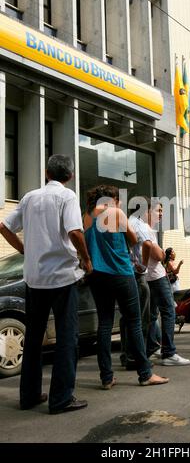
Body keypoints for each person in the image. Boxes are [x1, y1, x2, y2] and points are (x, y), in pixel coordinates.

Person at [0, 155, 92, 414]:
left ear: (46, 173)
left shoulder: (30, 197)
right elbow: (75, 232)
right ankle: (61, 398)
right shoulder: (67, 197)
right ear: (70, 176)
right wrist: (86, 260)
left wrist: (24, 250)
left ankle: (28, 396)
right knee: (66, 337)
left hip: (34, 278)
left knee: (33, 338)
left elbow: (4, 226)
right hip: (62, 277)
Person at [83, 185, 169, 387]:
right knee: (134, 322)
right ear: (111, 198)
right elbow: (133, 239)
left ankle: (106, 377)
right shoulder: (115, 212)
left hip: (97, 275)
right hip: (120, 272)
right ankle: (145, 373)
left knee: (104, 324)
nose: (121, 202)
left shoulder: (87, 216)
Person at [143, 199, 190, 366]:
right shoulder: (147, 229)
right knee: (169, 310)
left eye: (162, 210)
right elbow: (158, 255)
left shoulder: (142, 227)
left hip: (148, 277)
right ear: (146, 212)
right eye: (158, 210)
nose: (161, 214)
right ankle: (169, 353)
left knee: (151, 314)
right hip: (156, 276)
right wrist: (164, 254)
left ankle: (152, 349)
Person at [119, 206, 153, 369]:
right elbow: (147, 244)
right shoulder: (139, 224)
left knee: (127, 318)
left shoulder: (126, 222)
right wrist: (144, 265)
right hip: (137, 274)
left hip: (126, 272)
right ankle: (137, 357)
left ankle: (127, 355)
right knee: (140, 319)